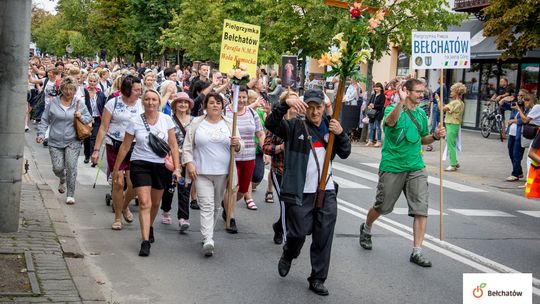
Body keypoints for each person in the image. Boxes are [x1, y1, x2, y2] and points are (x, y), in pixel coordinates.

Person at [265, 89, 351, 296]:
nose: (315, 112)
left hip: (326, 191)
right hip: (299, 192)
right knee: (298, 233)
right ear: (304, 108)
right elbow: (271, 123)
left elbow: (345, 152)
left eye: (318, 107)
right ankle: (288, 254)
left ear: (323, 106)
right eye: (310, 107)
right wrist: (285, 103)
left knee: (323, 237)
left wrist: (340, 133)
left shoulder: (331, 127)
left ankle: (317, 278)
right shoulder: (295, 126)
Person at [359, 79, 446, 268]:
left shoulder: (422, 114)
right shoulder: (392, 109)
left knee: (420, 209)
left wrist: (436, 136)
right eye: (418, 91)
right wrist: (400, 101)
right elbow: (389, 123)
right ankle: (366, 227)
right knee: (382, 206)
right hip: (393, 166)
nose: (422, 94)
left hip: (416, 166)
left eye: (423, 91)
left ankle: (417, 251)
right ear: (406, 91)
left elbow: (423, 139)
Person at [113, 89, 180, 257]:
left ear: (159, 102)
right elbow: (126, 146)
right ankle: (144, 241)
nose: (151, 103)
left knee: (155, 203)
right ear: (143, 102)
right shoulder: (135, 121)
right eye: (147, 99)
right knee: (144, 202)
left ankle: (149, 226)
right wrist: (116, 168)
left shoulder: (166, 120)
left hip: (161, 166)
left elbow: (173, 146)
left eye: (154, 100)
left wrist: (177, 168)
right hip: (140, 163)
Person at [182, 92, 243, 257]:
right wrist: (189, 163)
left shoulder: (230, 123)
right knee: (207, 205)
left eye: (218, 103)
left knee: (216, 205)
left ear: (222, 106)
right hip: (201, 171)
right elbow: (187, 146)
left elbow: (240, 145)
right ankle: (208, 238)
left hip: (223, 172)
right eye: (211, 103)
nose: (215, 105)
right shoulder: (197, 123)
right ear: (205, 106)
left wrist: (237, 144)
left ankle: (209, 234)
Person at [91, 75, 143, 230]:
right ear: (127, 89)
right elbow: (103, 127)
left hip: (135, 146)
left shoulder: (142, 105)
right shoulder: (113, 103)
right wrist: (96, 149)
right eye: (136, 90)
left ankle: (125, 205)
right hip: (115, 145)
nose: (139, 93)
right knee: (118, 182)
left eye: (140, 90)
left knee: (134, 185)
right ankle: (118, 217)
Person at [36, 76, 92, 204]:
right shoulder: (53, 102)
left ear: (75, 90)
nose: (68, 92)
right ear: (62, 89)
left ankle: (70, 195)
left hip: (73, 141)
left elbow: (89, 118)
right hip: (55, 141)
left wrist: (80, 116)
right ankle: (62, 178)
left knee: (71, 166)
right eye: (66, 89)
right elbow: (45, 119)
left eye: (71, 89)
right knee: (57, 167)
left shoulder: (79, 103)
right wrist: (40, 133)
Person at [223, 87, 265, 228]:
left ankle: (227, 206)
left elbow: (260, 133)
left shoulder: (252, 113)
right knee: (232, 189)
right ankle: (231, 217)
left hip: (249, 156)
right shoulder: (225, 112)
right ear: (232, 97)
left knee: (242, 190)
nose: (241, 100)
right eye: (238, 97)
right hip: (231, 157)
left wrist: (265, 150)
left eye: (243, 97)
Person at [263, 99, 298, 244]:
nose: (296, 108)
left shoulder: (301, 124)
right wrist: (280, 148)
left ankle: (278, 227)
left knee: (294, 208)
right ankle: (285, 237)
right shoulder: (277, 125)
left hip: (297, 173)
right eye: (293, 105)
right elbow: (266, 147)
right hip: (280, 171)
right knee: (286, 204)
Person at [160, 92, 194, 231]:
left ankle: (183, 218)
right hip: (172, 159)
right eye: (180, 102)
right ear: (174, 105)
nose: (183, 105)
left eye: (185, 102)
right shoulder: (168, 120)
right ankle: (166, 210)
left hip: (188, 159)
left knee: (185, 188)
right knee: (170, 188)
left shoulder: (194, 120)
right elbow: (164, 138)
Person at [83, 73, 107, 165]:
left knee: (94, 137)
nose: (92, 83)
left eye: (94, 81)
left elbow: (103, 106)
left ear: (97, 82)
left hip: (97, 118)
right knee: (87, 137)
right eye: (90, 81)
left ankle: (93, 156)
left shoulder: (100, 94)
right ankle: (87, 155)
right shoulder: (84, 92)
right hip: (86, 118)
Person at [443, 83, 467, 171]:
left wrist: (437, 100)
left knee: (450, 144)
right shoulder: (460, 102)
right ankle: (455, 162)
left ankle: (453, 164)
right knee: (451, 143)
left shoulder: (454, 102)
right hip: (455, 124)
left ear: (456, 92)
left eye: (452, 91)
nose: (450, 93)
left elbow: (442, 109)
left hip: (451, 124)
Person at [366, 82, 385, 147]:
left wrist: (374, 106)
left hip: (379, 113)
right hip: (372, 113)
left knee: (377, 127)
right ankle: (370, 140)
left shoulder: (382, 96)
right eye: (375, 87)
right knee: (370, 127)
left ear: (381, 88)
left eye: (377, 87)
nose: (376, 88)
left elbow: (381, 106)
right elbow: (369, 103)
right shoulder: (373, 95)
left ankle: (379, 141)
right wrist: (369, 106)